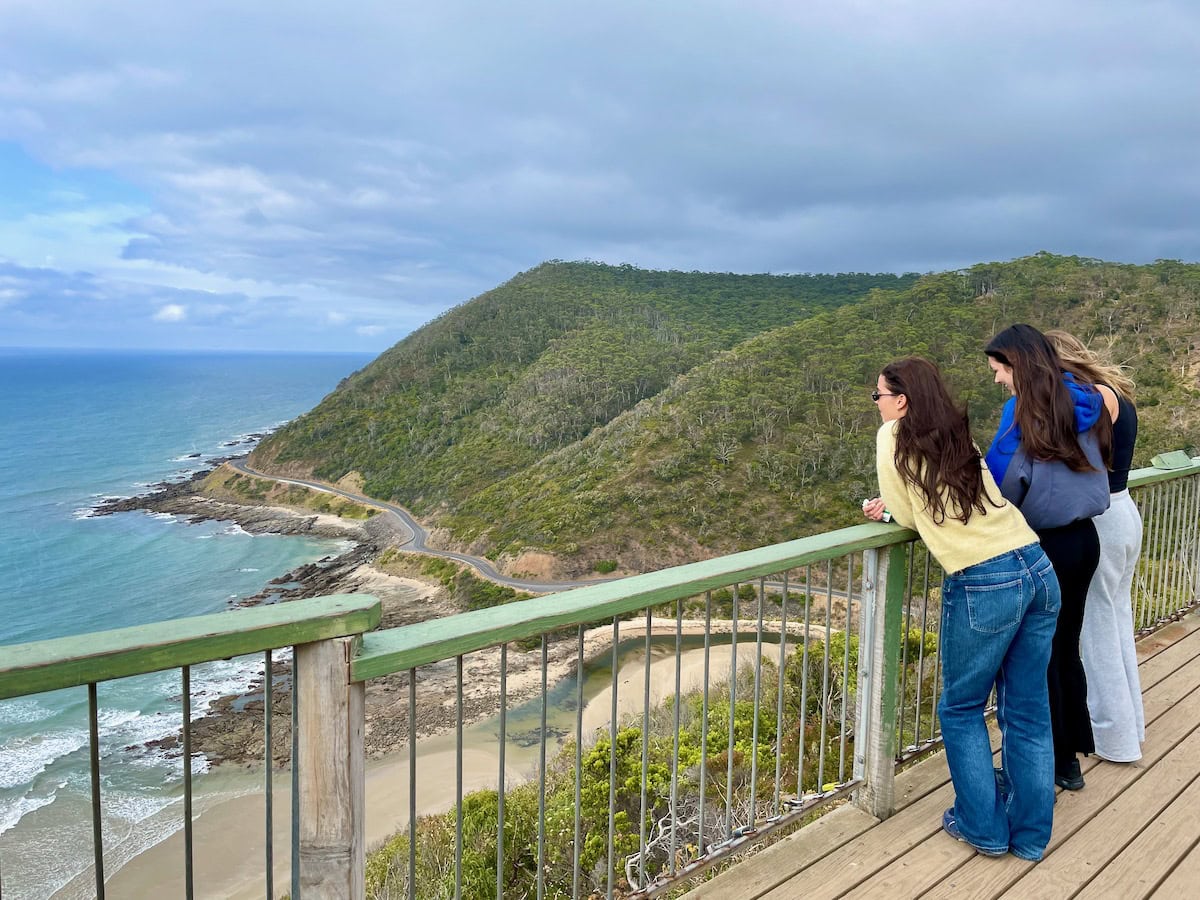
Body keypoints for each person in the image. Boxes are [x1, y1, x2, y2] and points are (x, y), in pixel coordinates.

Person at [863, 356, 1060, 860]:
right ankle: (1032, 837)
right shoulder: (956, 432)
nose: (877, 405)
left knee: (961, 708)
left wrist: (883, 509)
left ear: (900, 400)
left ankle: (984, 828)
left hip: (984, 578)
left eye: (878, 396)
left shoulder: (893, 437)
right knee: (1028, 711)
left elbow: (907, 513)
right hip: (1034, 563)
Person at [984, 324, 1111, 791]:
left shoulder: (1022, 411)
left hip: (1044, 546)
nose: (998, 380)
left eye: (999, 370)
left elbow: (1004, 484)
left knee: (1034, 659)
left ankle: (1046, 764)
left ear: (1018, 363)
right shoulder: (1087, 400)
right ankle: (1070, 758)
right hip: (1085, 541)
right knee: (1065, 649)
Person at [1046, 329, 1145, 762]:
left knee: (1097, 631)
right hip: (1123, 512)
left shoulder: (1094, 397)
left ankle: (1114, 740)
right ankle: (1129, 725)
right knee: (1115, 622)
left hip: (1102, 519)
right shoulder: (1116, 393)